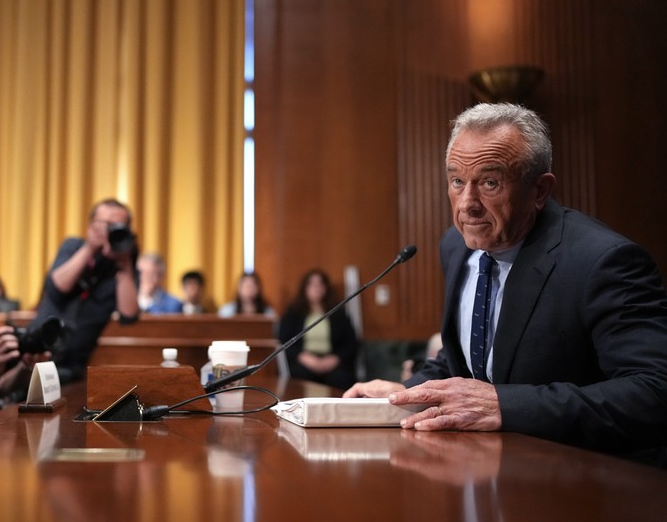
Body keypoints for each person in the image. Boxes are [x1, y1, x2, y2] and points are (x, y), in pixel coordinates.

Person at [344, 103, 667, 467]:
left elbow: (653, 390)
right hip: (485, 471)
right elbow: (464, 359)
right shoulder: (456, 246)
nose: (468, 204)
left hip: (586, 478)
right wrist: (408, 393)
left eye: (489, 183)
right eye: (456, 181)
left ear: (539, 191)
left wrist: (506, 405)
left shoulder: (602, 261)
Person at [28, 198, 139, 384]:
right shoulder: (73, 246)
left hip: (74, 366)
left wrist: (124, 265)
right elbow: (56, 288)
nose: (111, 230)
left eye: (118, 226)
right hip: (38, 354)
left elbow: (129, 315)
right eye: (106, 224)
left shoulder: (123, 265)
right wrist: (90, 248)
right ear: (90, 225)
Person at [278, 269, 359, 389]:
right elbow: (283, 340)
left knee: (341, 379)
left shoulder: (338, 313)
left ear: (326, 288)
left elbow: (352, 343)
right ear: (304, 288)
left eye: (320, 284)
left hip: (331, 361)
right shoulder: (294, 312)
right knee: (298, 379)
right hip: (304, 361)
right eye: (312, 284)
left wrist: (335, 359)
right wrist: (303, 357)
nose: (316, 288)